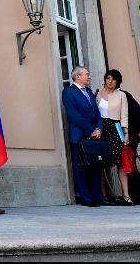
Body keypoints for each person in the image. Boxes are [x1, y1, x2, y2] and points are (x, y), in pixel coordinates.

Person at [61, 66, 103, 207]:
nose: (89, 77)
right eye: (87, 74)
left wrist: (98, 128)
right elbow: (74, 116)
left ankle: (97, 197)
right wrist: (90, 130)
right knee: (81, 168)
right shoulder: (68, 92)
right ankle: (86, 197)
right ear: (78, 76)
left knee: (95, 166)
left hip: (94, 136)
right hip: (79, 136)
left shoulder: (89, 92)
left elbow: (97, 113)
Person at [95, 69, 133, 205]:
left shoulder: (121, 95)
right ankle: (105, 194)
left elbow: (124, 115)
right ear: (105, 79)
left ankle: (126, 194)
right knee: (102, 162)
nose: (110, 81)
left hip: (115, 128)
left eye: (114, 79)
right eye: (108, 78)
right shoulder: (97, 93)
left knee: (120, 162)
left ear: (118, 82)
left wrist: (126, 133)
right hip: (101, 129)